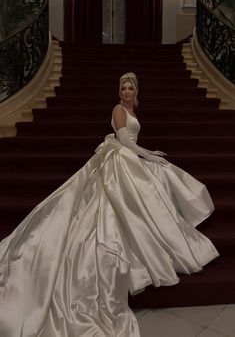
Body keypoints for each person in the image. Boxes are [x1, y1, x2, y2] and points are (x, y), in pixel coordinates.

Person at [0, 72, 219, 337]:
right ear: (120, 91)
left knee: (159, 179)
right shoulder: (118, 109)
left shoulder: (130, 109)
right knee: (138, 191)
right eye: (123, 88)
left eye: (130, 88)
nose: (126, 92)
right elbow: (126, 142)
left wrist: (148, 155)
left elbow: (130, 142)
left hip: (129, 156)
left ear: (135, 91)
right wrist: (149, 155)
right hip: (121, 160)